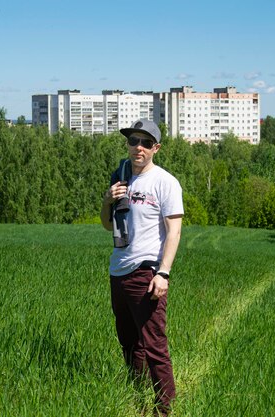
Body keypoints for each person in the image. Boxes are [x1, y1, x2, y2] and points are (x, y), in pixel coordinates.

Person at [100, 119, 183, 415]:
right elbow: (107, 224)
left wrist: (163, 272)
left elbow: (174, 231)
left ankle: (165, 410)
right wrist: (107, 200)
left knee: (154, 346)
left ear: (156, 148)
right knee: (129, 344)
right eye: (134, 141)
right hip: (118, 270)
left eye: (146, 143)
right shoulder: (120, 177)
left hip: (146, 272)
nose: (139, 147)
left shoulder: (165, 182)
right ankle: (137, 402)